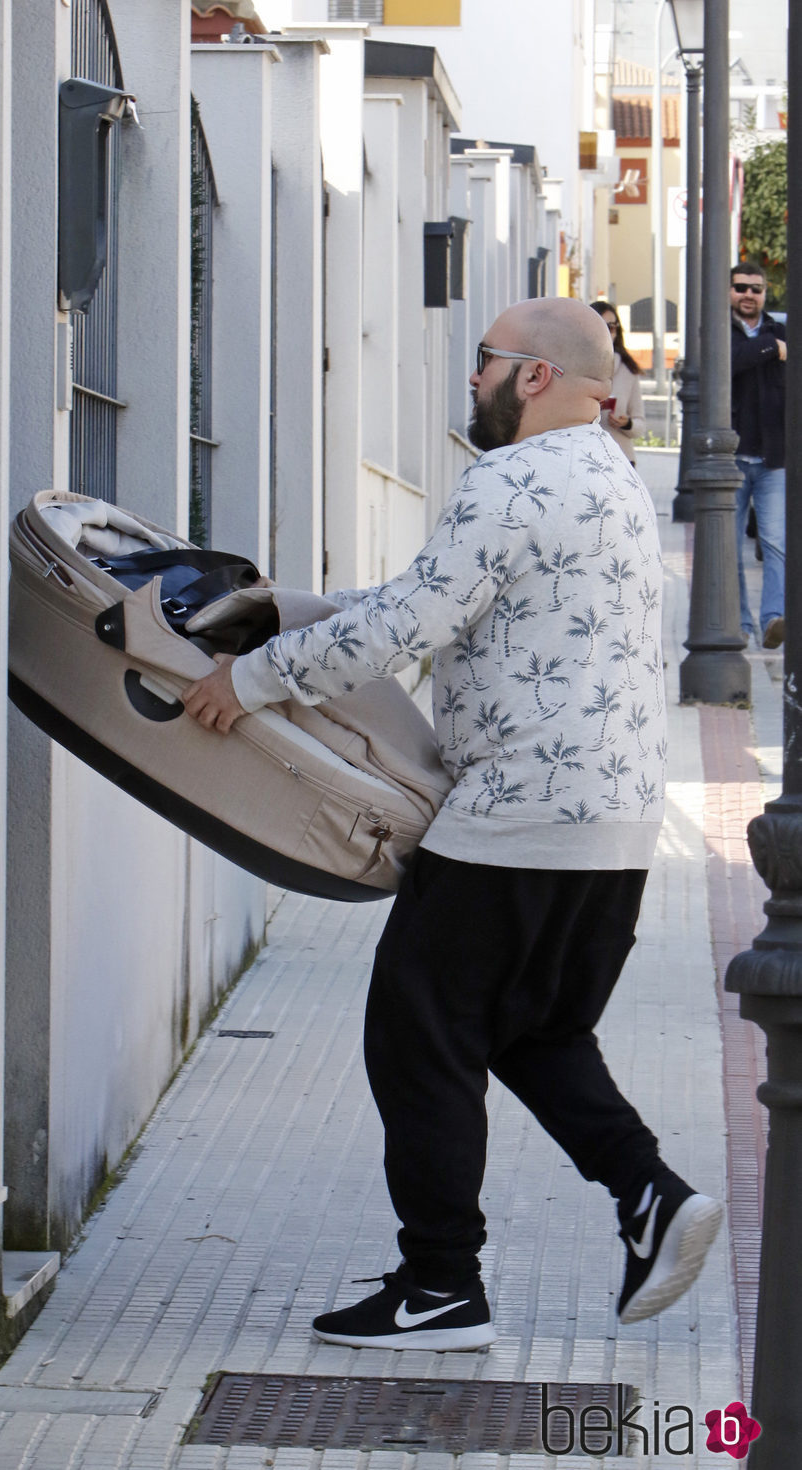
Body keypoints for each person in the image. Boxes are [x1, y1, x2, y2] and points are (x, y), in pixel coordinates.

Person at [182, 297, 722, 1351]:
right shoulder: (610, 476)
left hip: (511, 817)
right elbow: (449, 597)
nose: (468, 381)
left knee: (416, 1032)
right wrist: (307, 608)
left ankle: (439, 1287)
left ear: (530, 377)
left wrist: (245, 681)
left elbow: (414, 623)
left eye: (482, 363)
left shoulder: (510, 477)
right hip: (611, 823)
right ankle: (648, 1194)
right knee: (529, 1027)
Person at [730, 261, 787, 649]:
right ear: (729, 291)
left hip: (773, 459)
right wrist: (770, 349)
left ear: (765, 293)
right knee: (728, 546)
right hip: (729, 459)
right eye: (741, 287)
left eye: (756, 288)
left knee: (776, 543)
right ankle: (740, 624)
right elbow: (733, 361)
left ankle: (773, 621)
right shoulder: (719, 331)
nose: (749, 294)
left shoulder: (782, 330)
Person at [590, 300, 646, 465]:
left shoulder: (628, 370)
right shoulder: (574, 366)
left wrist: (627, 423)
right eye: (602, 327)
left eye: (612, 327)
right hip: (587, 459)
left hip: (621, 460)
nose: (608, 332)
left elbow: (640, 424)